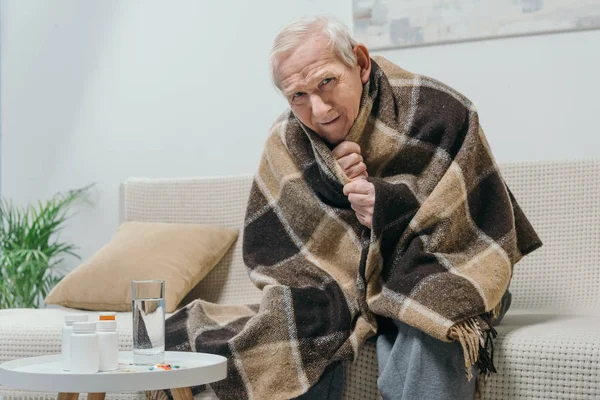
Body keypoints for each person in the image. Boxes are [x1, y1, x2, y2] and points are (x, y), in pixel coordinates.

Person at [268, 16, 507, 400]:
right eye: (298, 96)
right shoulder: (288, 138)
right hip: (340, 283)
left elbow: (475, 222)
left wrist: (388, 206)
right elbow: (281, 250)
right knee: (291, 322)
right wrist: (332, 185)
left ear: (360, 64)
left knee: (434, 313)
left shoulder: (438, 110)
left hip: (441, 264)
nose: (319, 108)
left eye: (326, 82)